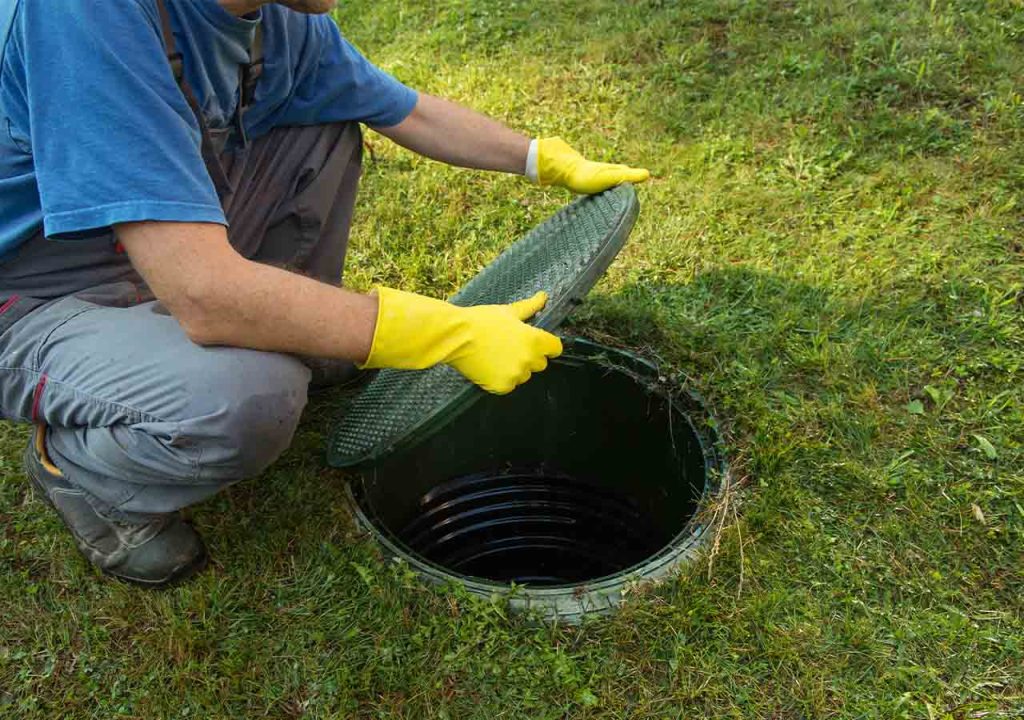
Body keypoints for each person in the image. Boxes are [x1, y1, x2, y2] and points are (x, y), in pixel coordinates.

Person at [0, 0, 650, 586]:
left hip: (148, 244)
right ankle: (84, 476)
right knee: (247, 398)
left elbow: (404, 109)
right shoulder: (80, 14)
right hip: (34, 294)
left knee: (321, 124)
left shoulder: (275, 20)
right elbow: (202, 293)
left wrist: (539, 156)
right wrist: (439, 332)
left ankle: (290, 340)